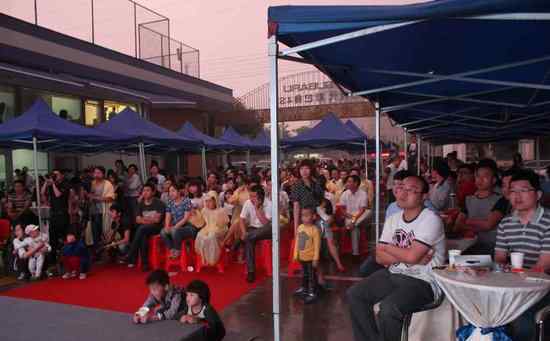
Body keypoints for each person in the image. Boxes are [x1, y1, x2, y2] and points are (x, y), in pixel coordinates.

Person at [347, 175, 445, 341]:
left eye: (411, 190)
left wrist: (389, 248)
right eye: (401, 188)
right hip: (394, 274)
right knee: (355, 294)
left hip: (423, 281)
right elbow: (379, 257)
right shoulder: (393, 219)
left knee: (389, 308)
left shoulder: (431, 219)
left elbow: (410, 256)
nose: (403, 193)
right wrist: (407, 256)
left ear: (424, 196)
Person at [494, 169, 550, 341]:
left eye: (524, 190)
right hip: (514, 286)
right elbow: (499, 258)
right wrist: (504, 268)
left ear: (538, 194)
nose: (517, 196)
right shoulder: (506, 223)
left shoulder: (548, 221)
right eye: (513, 191)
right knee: (483, 307)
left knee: (521, 317)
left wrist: (513, 274)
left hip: (543, 288)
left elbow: (542, 267)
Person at [454, 161, 502, 255]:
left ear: (494, 180)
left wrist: (468, 223)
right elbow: (458, 225)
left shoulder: (501, 200)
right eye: (477, 176)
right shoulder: (468, 199)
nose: (480, 180)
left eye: (485, 176)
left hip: (493, 248)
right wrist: (471, 227)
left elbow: (488, 225)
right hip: (471, 246)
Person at [126, 183, 166, 271]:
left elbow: (157, 221)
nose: (145, 192)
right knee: (143, 234)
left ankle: (132, 252)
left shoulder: (159, 203)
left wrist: (144, 219)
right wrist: (149, 219)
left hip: (157, 228)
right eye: (144, 190)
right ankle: (145, 264)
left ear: (153, 192)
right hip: (144, 229)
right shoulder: (140, 204)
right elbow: (137, 220)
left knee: (142, 229)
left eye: (147, 190)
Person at [241, 185, 272, 283]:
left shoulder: (269, 204)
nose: (251, 199)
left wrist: (257, 209)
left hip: (266, 229)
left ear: (261, 197)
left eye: (254, 197)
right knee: (249, 240)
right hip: (253, 229)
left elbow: (266, 223)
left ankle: (241, 241)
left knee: (251, 236)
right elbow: (242, 219)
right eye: (250, 196)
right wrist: (243, 232)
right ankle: (251, 271)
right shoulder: (247, 202)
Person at [293, 206, 321, 304]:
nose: (304, 218)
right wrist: (295, 254)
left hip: (310, 258)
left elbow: (317, 246)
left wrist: (315, 259)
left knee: (311, 276)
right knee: (304, 274)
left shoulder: (315, 230)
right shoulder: (300, 228)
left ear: (313, 216)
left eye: (306, 215)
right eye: (302, 216)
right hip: (302, 257)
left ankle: (312, 293)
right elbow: (297, 241)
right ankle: (304, 288)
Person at [195, 191, 229, 269]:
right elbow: (201, 223)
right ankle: (204, 258)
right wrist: (196, 214)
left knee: (211, 236)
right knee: (200, 235)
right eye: (206, 201)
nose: (207, 203)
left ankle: (213, 259)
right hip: (208, 228)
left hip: (220, 229)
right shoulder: (204, 210)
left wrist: (215, 227)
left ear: (215, 201)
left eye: (210, 201)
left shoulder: (221, 210)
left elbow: (223, 224)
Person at [160, 183, 195, 259]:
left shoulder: (186, 201)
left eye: (173, 191)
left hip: (188, 226)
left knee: (175, 231)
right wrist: (167, 226)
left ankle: (177, 250)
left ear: (179, 192)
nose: (171, 193)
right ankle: (171, 250)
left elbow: (186, 218)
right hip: (176, 226)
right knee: (163, 232)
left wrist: (174, 227)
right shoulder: (170, 202)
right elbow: (168, 217)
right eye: (169, 191)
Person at [40, 169, 71, 255]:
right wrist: (46, 182)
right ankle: (53, 258)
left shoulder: (65, 184)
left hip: (63, 214)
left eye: (56, 175)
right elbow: (42, 193)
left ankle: (67, 255)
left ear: (62, 176)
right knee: (53, 237)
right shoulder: (52, 185)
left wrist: (53, 183)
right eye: (53, 175)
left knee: (65, 236)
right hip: (53, 214)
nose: (55, 176)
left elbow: (58, 194)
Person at [339, 175, 370, 257]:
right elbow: (342, 209)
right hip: (349, 218)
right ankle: (355, 254)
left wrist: (353, 221)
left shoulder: (363, 194)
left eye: (349, 181)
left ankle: (352, 225)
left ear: (356, 183)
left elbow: (362, 210)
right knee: (355, 229)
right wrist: (350, 217)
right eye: (347, 182)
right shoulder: (345, 194)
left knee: (368, 212)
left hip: (360, 217)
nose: (347, 183)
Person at [291, 160, 324, 235]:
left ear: (311, 170)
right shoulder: (297, 185)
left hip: (317, 217)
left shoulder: (316, 184)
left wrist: (320, 214)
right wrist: (296, 227)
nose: (304, 171)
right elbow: (296, 207)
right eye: (301, 169)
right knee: (306, 243)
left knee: (319, 241)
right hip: (304, 219)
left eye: (307, 168)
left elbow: (321, 200)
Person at [88, 166, 115, 248]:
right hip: (92, 211)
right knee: (94, 233)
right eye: (95, 173)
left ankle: (105, 251)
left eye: (98, 173)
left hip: (103, 211)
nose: (96, 175)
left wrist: (96, 198)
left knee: (103, 233)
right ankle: (96, 250)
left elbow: (110, 198)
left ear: (103, 174)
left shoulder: (107, 184)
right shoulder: (91, 183)